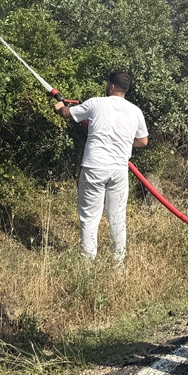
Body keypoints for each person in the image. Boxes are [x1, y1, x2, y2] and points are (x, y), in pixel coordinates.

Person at [55, 71, 148, 262]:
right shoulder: (135, 111)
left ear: (111, 86)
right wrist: (122, 142)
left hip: (94, 167)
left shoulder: (96, 103)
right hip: (119, 170)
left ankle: (87, 262)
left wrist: (59, 107)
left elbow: (66, 114)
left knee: (90, 216)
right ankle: (118, 264)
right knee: (117, 217)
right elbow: (143, 141)